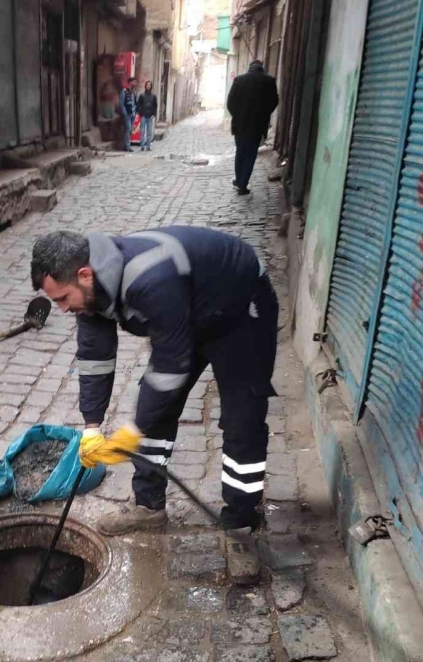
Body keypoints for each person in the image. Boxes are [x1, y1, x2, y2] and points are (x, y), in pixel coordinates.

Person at [30, 228, 279, 545]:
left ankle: (241, 524)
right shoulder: (89, 293)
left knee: (242, 419)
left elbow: (170, 365)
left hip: (239, 309)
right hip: (184, 312)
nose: (62, 309)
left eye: (63, 299)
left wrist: (134, 429)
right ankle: (148, 507)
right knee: (155, 410)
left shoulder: (150, 278)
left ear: (84, 274)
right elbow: (95, 358)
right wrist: (92, 425)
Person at [226, 60, 278, 195]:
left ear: (250, 68)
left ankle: (239, 181)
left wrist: (237, 115)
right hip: (258, 125)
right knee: (250, 154)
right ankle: (242, 183)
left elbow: (230, 102)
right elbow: (274, 102)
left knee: (240, 152)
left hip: (240, 124)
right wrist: (264, 114)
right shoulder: (269, 81)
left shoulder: (239, 80)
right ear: (262, 68)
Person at [137, 81, 158, 152]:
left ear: (151, 86)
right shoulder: (142, 95)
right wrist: (140, 114)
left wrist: (154, 114)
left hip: (150, 116)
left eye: (150, 85)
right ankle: (142, 146)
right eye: (147, 85)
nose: (148, 86)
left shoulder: (154, 96)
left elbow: (155, 106)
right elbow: (138, 105)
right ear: (145, 86)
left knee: (149, 132)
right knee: (142, 131)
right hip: (143, 116)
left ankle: (148, 146)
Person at [118, 77, 138, 152]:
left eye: (136, 82)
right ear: (130, 82)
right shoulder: (124, 91)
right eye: (134, 82)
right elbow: (121, 103)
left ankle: (124, 145)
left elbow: (135, 103)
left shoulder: (134, 92)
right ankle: (127, 146)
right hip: (127, 114)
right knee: (128, 128)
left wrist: (136, 112)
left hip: (133, 113)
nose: (135, 83)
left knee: (129, 130)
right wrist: (124, 113)